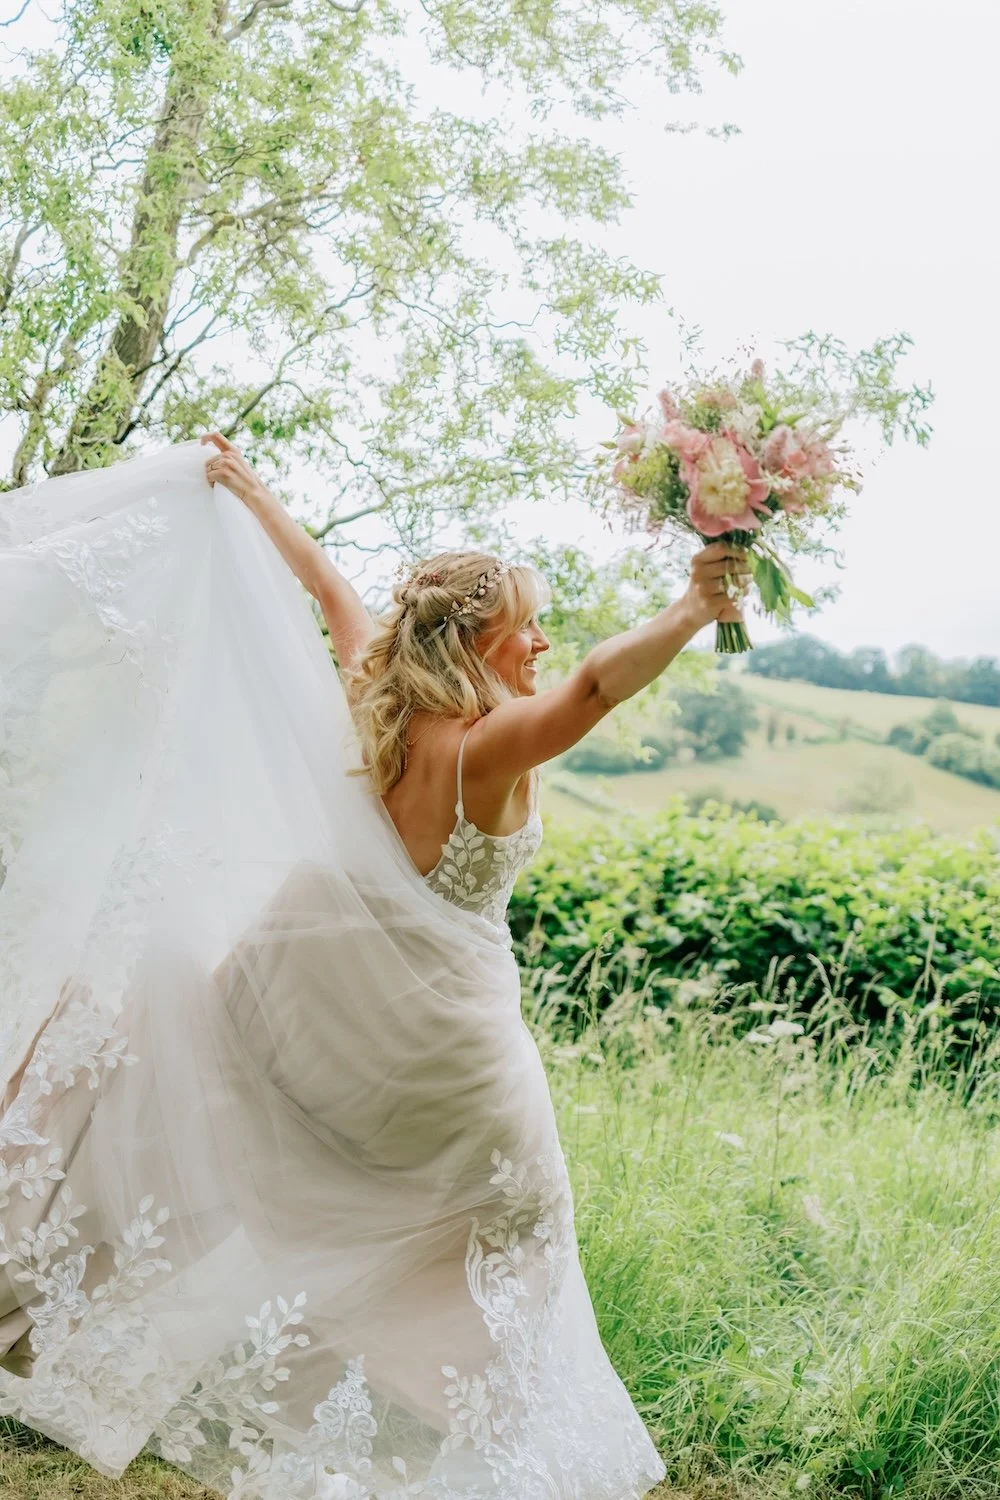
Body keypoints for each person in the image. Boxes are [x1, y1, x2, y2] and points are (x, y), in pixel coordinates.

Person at [0, 433, 748, 1500]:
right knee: (513, 1252)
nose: (538, 642)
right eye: (522, 627)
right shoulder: (483, 752)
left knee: (307, 1209)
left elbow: (326, 587)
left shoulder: (379, 704)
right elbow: (588, 692)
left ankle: (324, 1435)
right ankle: (457, 1464)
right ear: (477, 644)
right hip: (451, 1072)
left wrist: (253, 494)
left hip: (324, 1039)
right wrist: (689, 608)